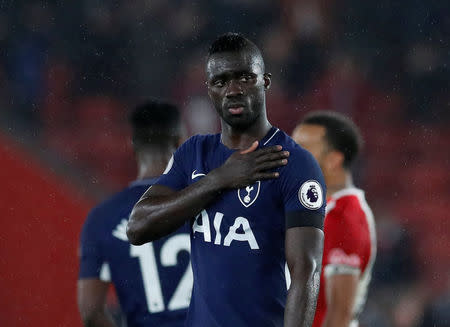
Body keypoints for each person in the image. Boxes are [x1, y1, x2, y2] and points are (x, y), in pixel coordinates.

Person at [127, 33, 326, 327]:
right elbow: (138, 226)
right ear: (209, 89)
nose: (233, 90)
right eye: (220, 82)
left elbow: (305, 272)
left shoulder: (293, 164)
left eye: (244, 78)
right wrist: (218, 179)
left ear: (265, 81)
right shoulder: (194, 153)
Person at [78, 101, 192, 327]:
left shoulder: (102, 219)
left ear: (132, 145)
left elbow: (91, 311)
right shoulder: (207, 203)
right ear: (182, 142)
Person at [292, 111, 376, 327]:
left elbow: (339, 314)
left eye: (302, 148)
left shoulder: (346, 218)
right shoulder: (322, 208)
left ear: (333, 160)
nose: (291, 155)